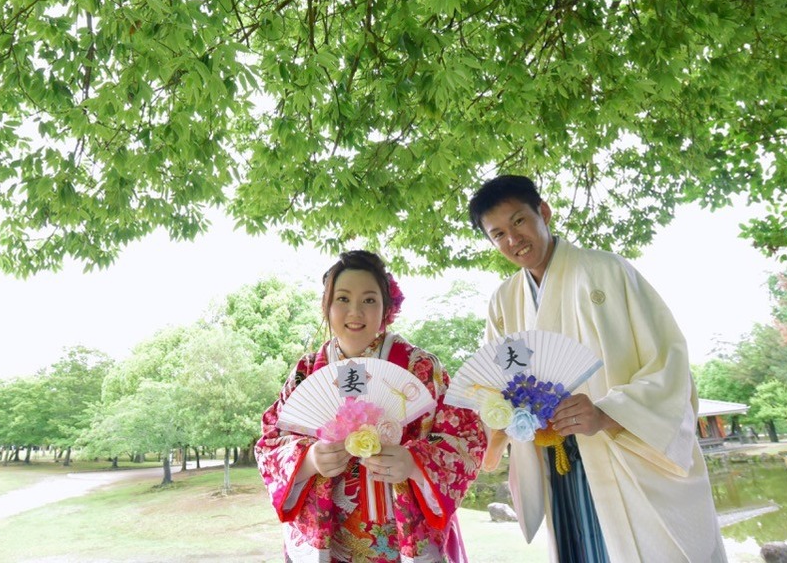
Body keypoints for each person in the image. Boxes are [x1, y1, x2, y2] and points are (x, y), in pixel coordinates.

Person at [468, 174, 727, 562]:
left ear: (544, 212)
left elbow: (668, 367)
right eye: (498, 233)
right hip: (557, 464)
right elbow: (493, 384)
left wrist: (607, 413)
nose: (513, 240)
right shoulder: (503, 302)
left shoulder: (608, 271)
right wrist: (503, 417)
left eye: (519, 221)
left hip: (622, 452)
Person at [256, 250, 486, 562]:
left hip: (403, 534)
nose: (355, 312)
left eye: (369, 300)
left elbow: (466, 438)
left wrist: (414, 462)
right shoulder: (306, 371)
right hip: (330, 533)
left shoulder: (420, 368)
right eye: (343, 299)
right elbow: (271, 441)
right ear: (327, 306)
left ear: (386, 308)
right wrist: (308, 459)